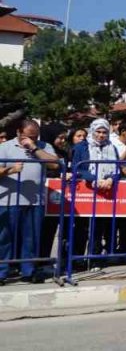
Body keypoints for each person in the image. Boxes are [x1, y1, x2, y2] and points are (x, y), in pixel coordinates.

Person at [0, 120, 61, 283]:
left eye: (35, 137)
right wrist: (11, 170)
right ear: (18, 132)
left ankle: (29, 271)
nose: (32, 139)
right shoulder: (5, 147)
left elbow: (55, 164)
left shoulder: (43, 146)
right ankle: (2, 272)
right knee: (5, 239)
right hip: (8, 201)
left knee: (31, 239)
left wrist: (34, 148)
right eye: (28, 136)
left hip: (35, 202)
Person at [70, 118, 124, 262]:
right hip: (87, 191)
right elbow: (77, 168)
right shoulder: (81, 147)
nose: (101, 135)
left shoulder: (112, 147)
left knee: (99, 227)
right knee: (82, 227)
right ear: (92, 131)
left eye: (104, 132)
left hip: (105, 191)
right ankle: (77, 259)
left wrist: (111, 179)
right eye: (98, 132)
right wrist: (93, 179)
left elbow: (117, 168)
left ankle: (95, 258)